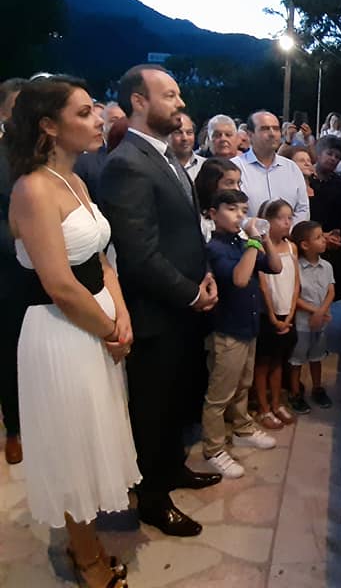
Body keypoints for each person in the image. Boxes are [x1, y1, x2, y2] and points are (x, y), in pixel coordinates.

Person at [6, 75, 138, 587]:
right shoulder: (33, 188)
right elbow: (60, 284)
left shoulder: (75, 180)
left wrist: (121, 312)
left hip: (96, 324)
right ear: (48, 125)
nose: (98, 119)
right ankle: (86, 559)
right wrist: (110, 330)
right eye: (83, 113)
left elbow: (100, 257)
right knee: (72, 447)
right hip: (62, 331)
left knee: (92, 434)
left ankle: (86, 539)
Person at [98, 64, 221, 538]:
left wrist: (204, 274)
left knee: (174, 401)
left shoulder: (164, 155)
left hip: (183, 305)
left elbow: (184, 230)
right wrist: (191, 294)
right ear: (138, 101)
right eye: (169, 95)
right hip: (156, 311)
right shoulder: (126, 163)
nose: (180, 103)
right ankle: (151, 498)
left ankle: (172, 469)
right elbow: (139, 253)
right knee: (152, 408)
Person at [202, 189, 281, 479]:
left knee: (243, 384)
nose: (240, 215)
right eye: (232, 209)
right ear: (213, 214)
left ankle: (242, 429)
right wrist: (253, 241)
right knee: (219, 394)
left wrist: (265, 238)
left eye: (244, 210)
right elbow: (239, 278)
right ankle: (213, 448)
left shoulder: (242, 242)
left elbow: (275, 266)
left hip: (248, 327)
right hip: (227, 331)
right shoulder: (214, 248)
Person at [0, 77, 27, 465]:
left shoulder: (45, 153)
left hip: (50, 271)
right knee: (10, 351)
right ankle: (15, 429)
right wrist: (27, 246)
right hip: (10, 269)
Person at [255, 199, 300, 429]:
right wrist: (272, 317)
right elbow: (264, 286)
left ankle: (276, 402)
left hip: (287, 314)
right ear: (267, 221)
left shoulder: (292, 247)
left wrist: (290, 314)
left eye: (290, 218)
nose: (287, 222)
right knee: (263, 363)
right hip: (267, 315)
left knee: (278, 361)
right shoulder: (260, 249)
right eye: (281, 218)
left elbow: (296, 283)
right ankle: (263, 408)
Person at [287, 221, 336, 412]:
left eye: (323, 236)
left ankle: (317, 388)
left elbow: (331, 291)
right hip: (302, 323)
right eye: (318, 237)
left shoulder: (327, 266)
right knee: (297, 359)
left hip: (321, 322)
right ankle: (295, 393)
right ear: (305, 245)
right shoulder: (296, 268)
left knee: (317, 356)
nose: (324, 240)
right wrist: (314, 311)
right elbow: (295, 297)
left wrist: (322, 311)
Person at [232, 110, 309, 224]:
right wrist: (260, 230)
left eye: (276, 129)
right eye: (265, 129)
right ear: (250, 134)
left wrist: (286, 230)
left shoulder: (291, 168)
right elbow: (230, 211)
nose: (272, 133)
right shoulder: (235, 168)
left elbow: (303, 209)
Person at [74, 101, 126, 202]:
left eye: (123, 119)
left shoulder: (141, 157)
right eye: (114, 120)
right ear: (103, 124)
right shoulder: (85, 163)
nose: (120, 124)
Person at [195, 158, 243, 242]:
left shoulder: (238, 215)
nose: (237, 189)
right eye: (230, 183)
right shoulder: (198, 219)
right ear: (211, 184)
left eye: (238, 183)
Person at [168, 112, 205, 180]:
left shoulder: (205, 166)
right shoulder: (159, 165)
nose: (185, 138)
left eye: (189, 133)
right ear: (167, 136)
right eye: (178, 133)